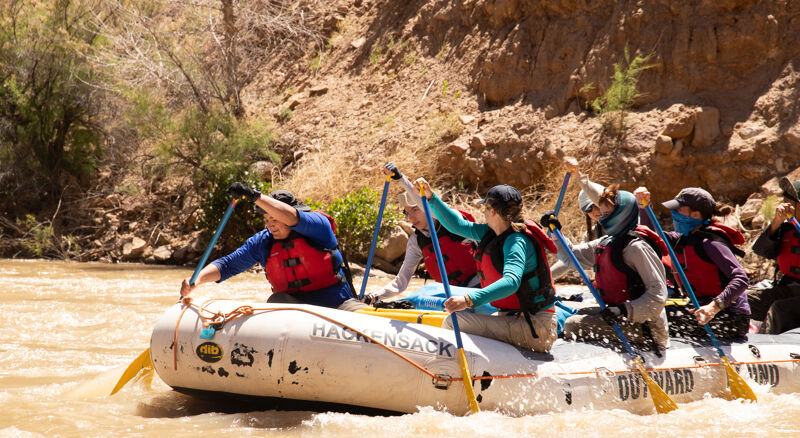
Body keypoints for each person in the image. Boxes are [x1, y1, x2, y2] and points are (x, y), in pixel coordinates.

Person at [415, 179, 558, 352]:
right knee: (466, 317)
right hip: (518, 319)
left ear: (493, 212)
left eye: (485, 208)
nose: (483, 212)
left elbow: (511, 282)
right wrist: (432, 198)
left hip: (535, 328)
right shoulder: (494, 232)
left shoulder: (517, 241)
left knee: (455, 321)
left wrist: (468, 300)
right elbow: (459, 226)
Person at [180, 183, 364, 311]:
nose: (270, 225)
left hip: (338, 304)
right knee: (276, 300)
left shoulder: (318, 226)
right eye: (267, 220)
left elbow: (292, 217)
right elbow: (228, 265)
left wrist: (255, 197)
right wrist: (197, 280)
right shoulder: (263, 241)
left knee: (362, 315)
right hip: (294, 310)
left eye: (275, 219)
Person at [546, 184, 670, 352]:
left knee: (571, 324)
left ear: (623, 213)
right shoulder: (607, 242)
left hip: (646, 327)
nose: (602, 219)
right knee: (572, 312)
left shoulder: (637, 248)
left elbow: (658, 296)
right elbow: (572, 257)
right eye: (601, 214)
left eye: (607, 214)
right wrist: (556, 233)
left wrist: (623, 310)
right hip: (617, 314)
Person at [635, 186, 751, 340]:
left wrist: (714, 307)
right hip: (699, 309)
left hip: (730, 316)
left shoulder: (711, 242)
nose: (673, 214)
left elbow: (741, 279)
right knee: (649, 318)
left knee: (660, 325)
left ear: (695, 215)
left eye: (678, 209)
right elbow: (649, 236)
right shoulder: (682, 238)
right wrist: (643, 206)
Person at [363, 163, 479, 305]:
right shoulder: (416, 241)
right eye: (407, 212)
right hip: (451, 295)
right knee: (419, 295)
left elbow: (428, 205)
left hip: (479, 288)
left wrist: (400, 179)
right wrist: (373, 296)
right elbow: (401, 281)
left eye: (415, 210)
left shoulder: (452, 219)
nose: (411, 217)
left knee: (431, 289)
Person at [747, 176, 800, 334]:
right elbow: (762, 251)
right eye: (785, 201)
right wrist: (776, 222)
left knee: (779, 309)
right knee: (743, 300)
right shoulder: (786, 228)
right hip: (789, 287)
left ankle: (771, 349)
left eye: (790, 203)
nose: (785, 206)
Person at [550, 176, 605, 281]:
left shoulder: (624, 223)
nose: (596, 211)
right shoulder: (591, 234)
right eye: (589, 208)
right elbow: (574, 258)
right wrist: (546, 278)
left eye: (596, 204)